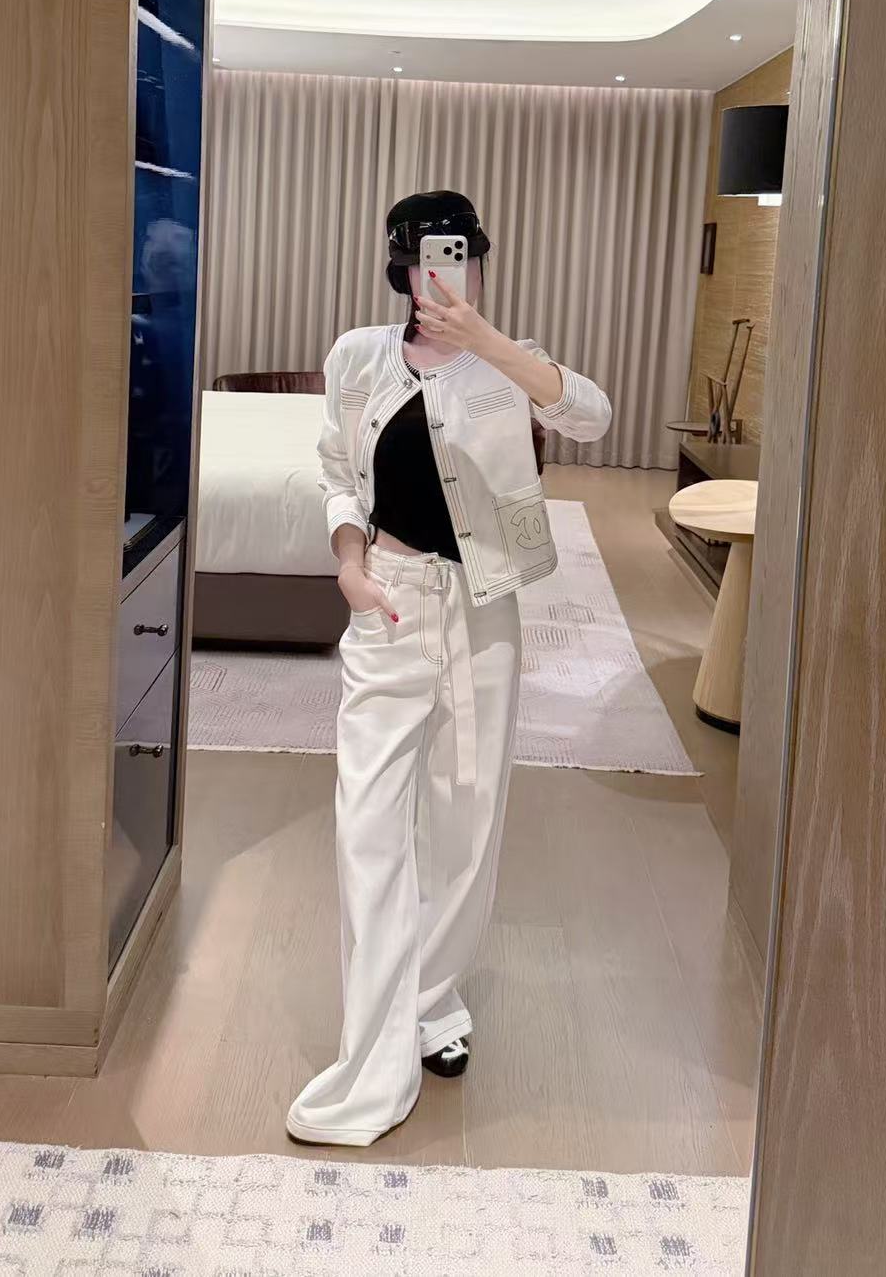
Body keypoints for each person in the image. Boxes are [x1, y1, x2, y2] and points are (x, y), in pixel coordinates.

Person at [286, 190, 612, 1147]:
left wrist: (488, 341)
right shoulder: (358, 357)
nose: (447, 274)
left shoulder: (509, 363)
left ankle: (431, 999)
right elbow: (336, 471)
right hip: (388, 601)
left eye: (463, 256)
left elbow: (592, 417)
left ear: (477, 262)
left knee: (467, 821)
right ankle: (374, 1047)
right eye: (432, 258)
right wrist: (348, 564)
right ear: (401, 267)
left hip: (484, 609)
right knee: (369, 822)